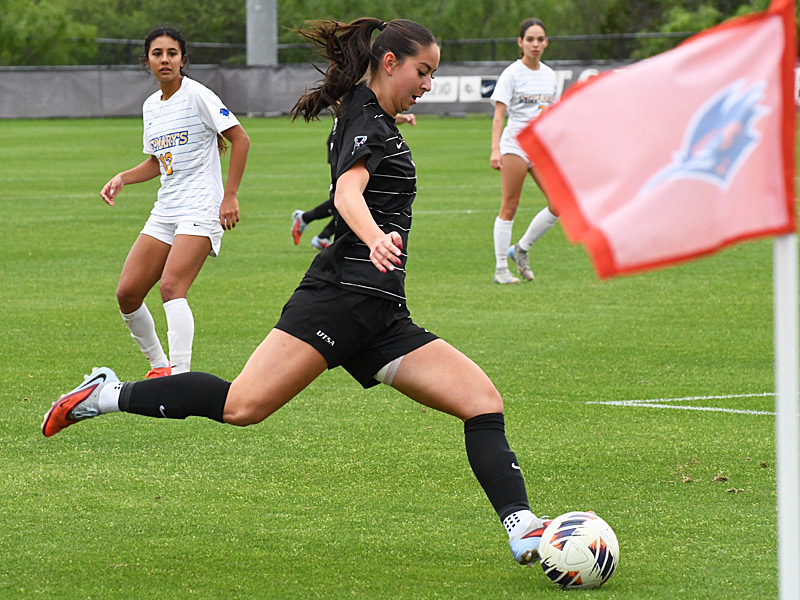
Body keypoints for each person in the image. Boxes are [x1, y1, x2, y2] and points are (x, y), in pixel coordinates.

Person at [43, 18, 548, 569]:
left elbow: (361, 133)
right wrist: (376, 236)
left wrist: (387, 116)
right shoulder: (365, 120)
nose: (427, 84)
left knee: (482, 402)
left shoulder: (367, 111)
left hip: (380, 313)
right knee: (242, 406)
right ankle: (106, 394)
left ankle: (522, 530)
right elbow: (347, 190)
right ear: (389, 63)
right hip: (337, 299)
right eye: (422, 72)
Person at [99, 27, 250, 377]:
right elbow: (158, 160)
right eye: (157, 53)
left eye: (172, 53)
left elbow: (240, 139)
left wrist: (229, 196)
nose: (165, 59)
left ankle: (180, 376)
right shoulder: (151, 106)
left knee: (171, 287)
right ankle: (159, 367)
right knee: (128, 293)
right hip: (167, 208)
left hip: (201, 206)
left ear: (183, 59)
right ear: (147, 60)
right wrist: (123, 177)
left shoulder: (197, 94)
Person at [490, 18, 559, 284]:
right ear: (520, 42)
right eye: (530, 39)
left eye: (540, 39)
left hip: (540, 147)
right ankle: (500, 270)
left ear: (546, 43)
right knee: (510, 205)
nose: (535, 44)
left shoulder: (550, 75)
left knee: (557, 204)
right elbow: (499, 115)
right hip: (515, 145)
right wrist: (496, 149)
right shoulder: (512, 73)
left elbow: (553, 116)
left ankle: (521, 249)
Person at [292, 112, 417, 250]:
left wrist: (403, 118)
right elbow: (379, 113)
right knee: (349, 195)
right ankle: (314, 225)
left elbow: (383, 115)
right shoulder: (359, 101)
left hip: (350, 142)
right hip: (347, 145)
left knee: (356, 195)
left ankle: (317, 229)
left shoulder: (365, 107)